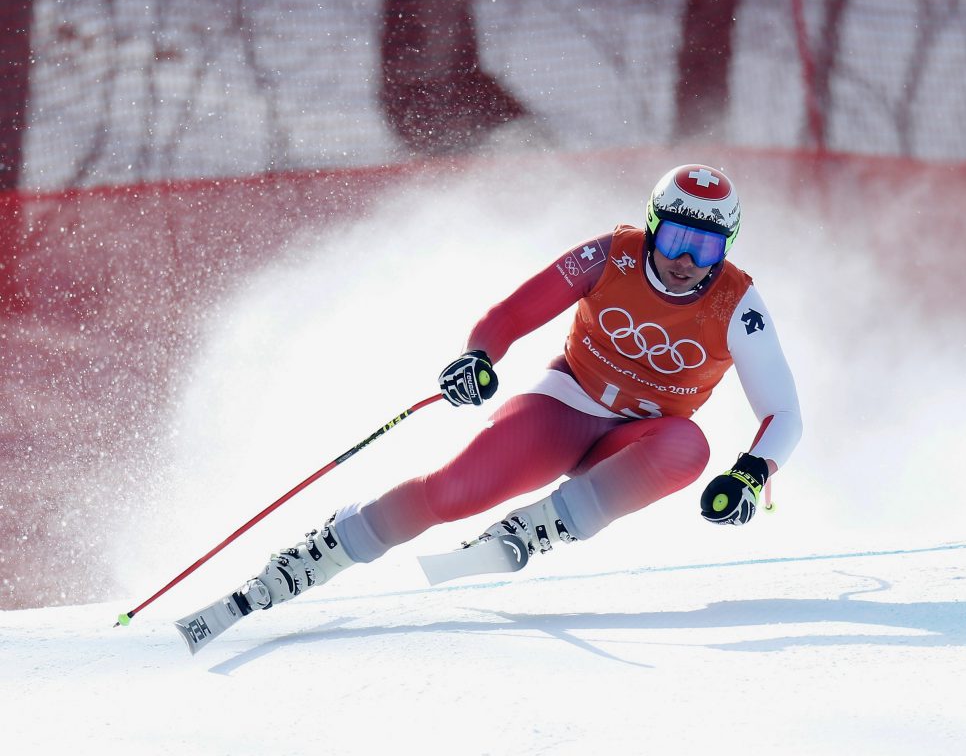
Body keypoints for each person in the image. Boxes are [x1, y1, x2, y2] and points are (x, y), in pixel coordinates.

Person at [230, 163, 803, 615]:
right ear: (653, 225)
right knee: (454, 492)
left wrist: (752, 475)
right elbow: (508, 317)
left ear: (725, 249)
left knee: (690, 449)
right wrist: (477, 357)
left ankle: (543, 526)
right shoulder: (610, 255)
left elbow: (783, 413)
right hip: (566, 406)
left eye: (705, 247)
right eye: (677, 236)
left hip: (634, 442)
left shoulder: (737, 304)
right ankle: (328, 548)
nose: (684, 260)